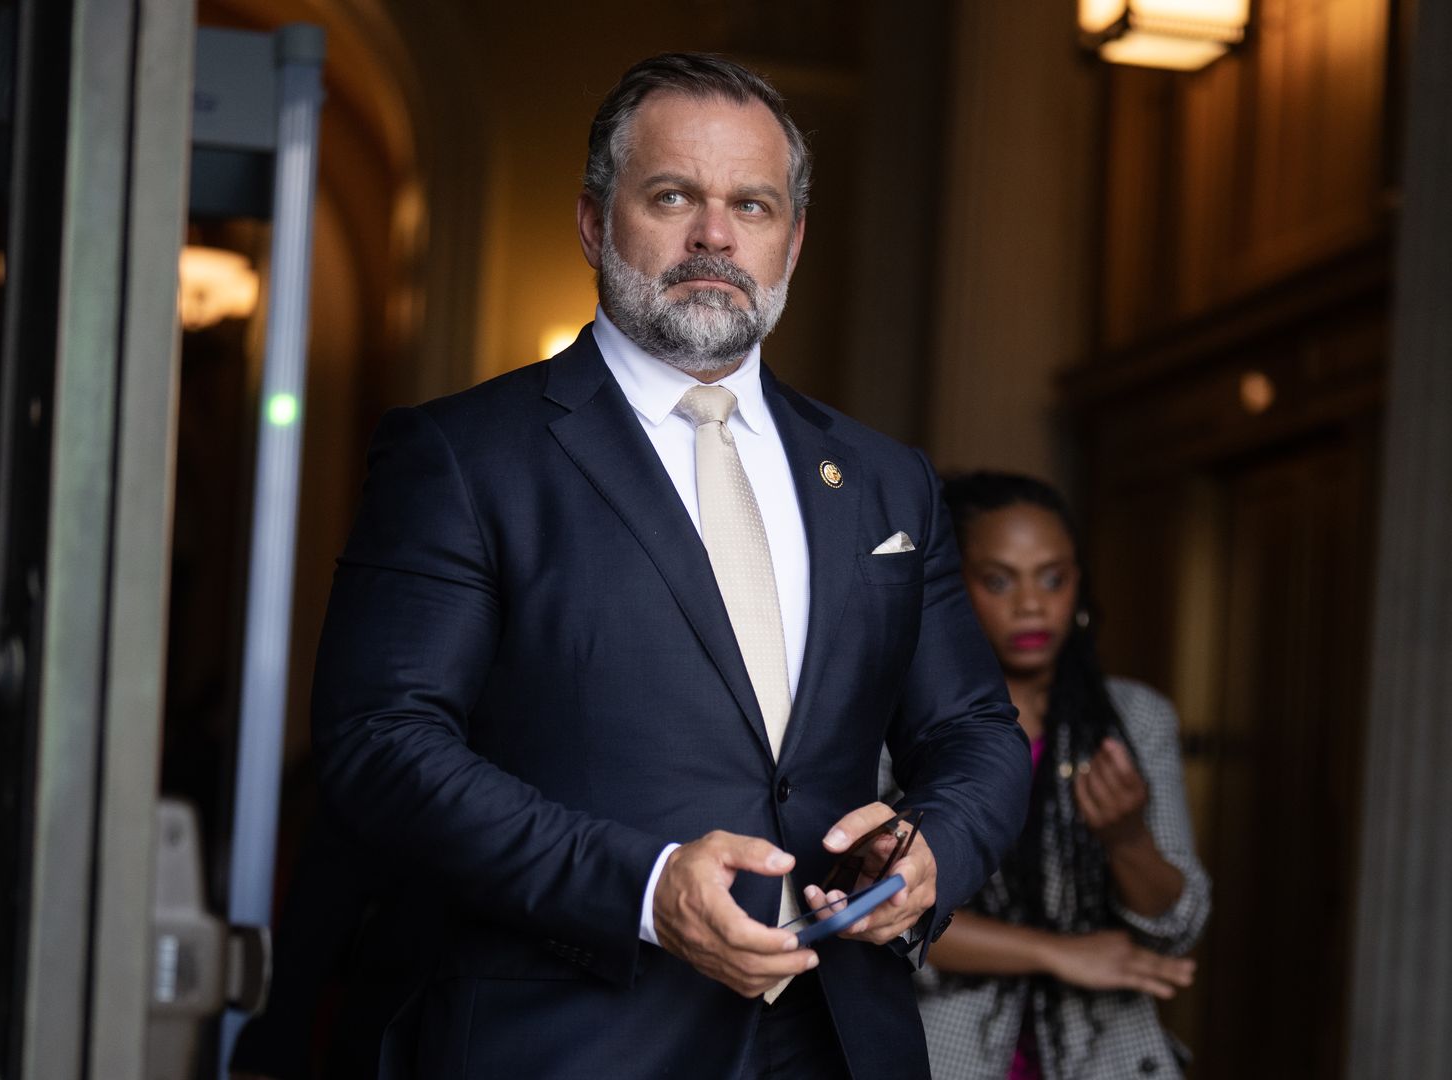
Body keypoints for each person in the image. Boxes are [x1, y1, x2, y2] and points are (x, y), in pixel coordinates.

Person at [312, 53, 1032, 1079]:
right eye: (672, 196)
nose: (715, 235)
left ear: (793, 238)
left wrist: (933, 854)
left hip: (838, 1038)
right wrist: (642, 888)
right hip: (571, 1037)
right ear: (595, 222)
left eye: (752, 203)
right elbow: (378, 743)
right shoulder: (465, 456)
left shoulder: (883, 481)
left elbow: (975, 733)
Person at [893, 472, 1210, 1079]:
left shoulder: (1135, 720)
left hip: (1108, 1058)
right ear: (953, 588)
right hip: (945, 1053)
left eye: (1053, 577)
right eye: (998, 580)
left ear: (1080, 585)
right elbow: (883, 913)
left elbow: (1177, 927)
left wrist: (1126, 840)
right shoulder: (902, 716)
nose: (1032, 604)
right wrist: (1061, 954)